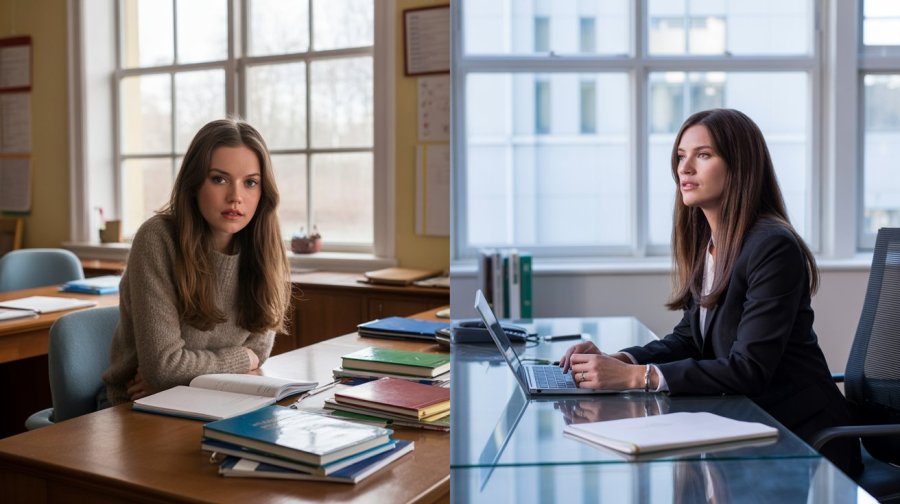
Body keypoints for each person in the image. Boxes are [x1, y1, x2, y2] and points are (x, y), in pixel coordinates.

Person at [559, 108, 862, 476]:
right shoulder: (714, 244)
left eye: (703, 155)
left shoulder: (772, 247)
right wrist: (620, 360)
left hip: (801, 442)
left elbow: (748, 369)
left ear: (740, 167)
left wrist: (639, 378)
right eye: (680, 157)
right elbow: (690, 338)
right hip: (746, 427)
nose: (684, 169)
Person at [102, 118, 292, 406]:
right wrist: (242, 359)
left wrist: (183, 378)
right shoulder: (157, 239)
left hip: (214, 399)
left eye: (250, 182)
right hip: (135, 407)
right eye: (219, 179)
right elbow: (164, 368)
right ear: (194, 184)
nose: (236, 197)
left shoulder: (263, 244)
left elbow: (259, 351)